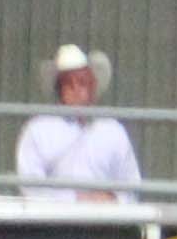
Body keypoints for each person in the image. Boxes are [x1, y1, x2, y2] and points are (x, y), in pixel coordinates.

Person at [15, 43, 142, 201]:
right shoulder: (38, 129)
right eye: (69, 84)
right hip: (53, 215)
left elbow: (131, 185)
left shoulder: (113, 130)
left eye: (82, 82)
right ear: (59, 90)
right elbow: (31, 187)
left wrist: (112, 199)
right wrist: (76, 198)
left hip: (105, 215)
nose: (76, 90)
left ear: (92, 87)